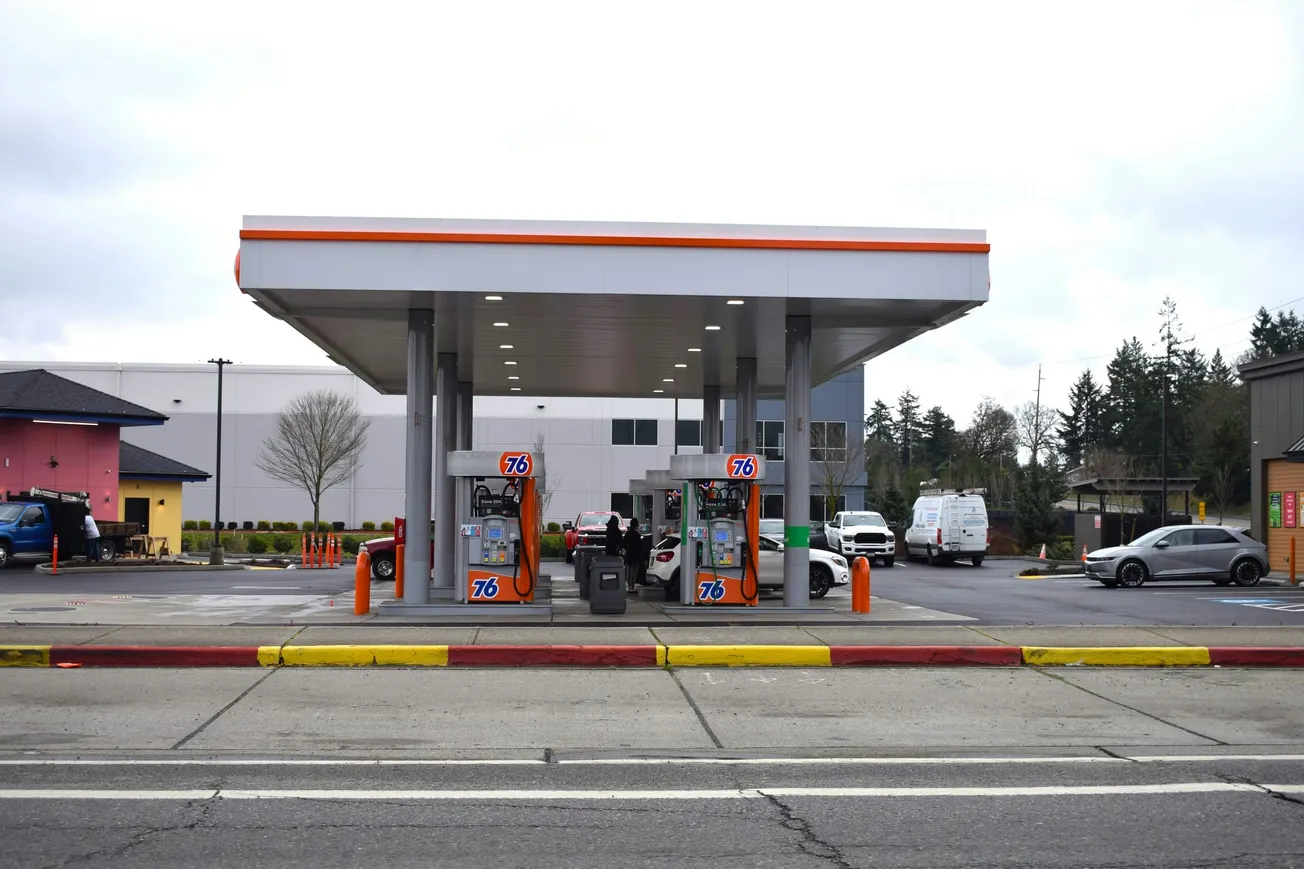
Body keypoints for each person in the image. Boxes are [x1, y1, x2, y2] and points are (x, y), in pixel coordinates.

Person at [623, 518, 642, 592]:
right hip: (635, 554)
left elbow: (624, 543)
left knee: (629, 571)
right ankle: (632, 586)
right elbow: (640, 545)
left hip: (629, 554)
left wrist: (627, 548)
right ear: (636, 525)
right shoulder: (637, 534)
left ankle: (630, 586)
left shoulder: (628, 533)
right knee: (634, 571)